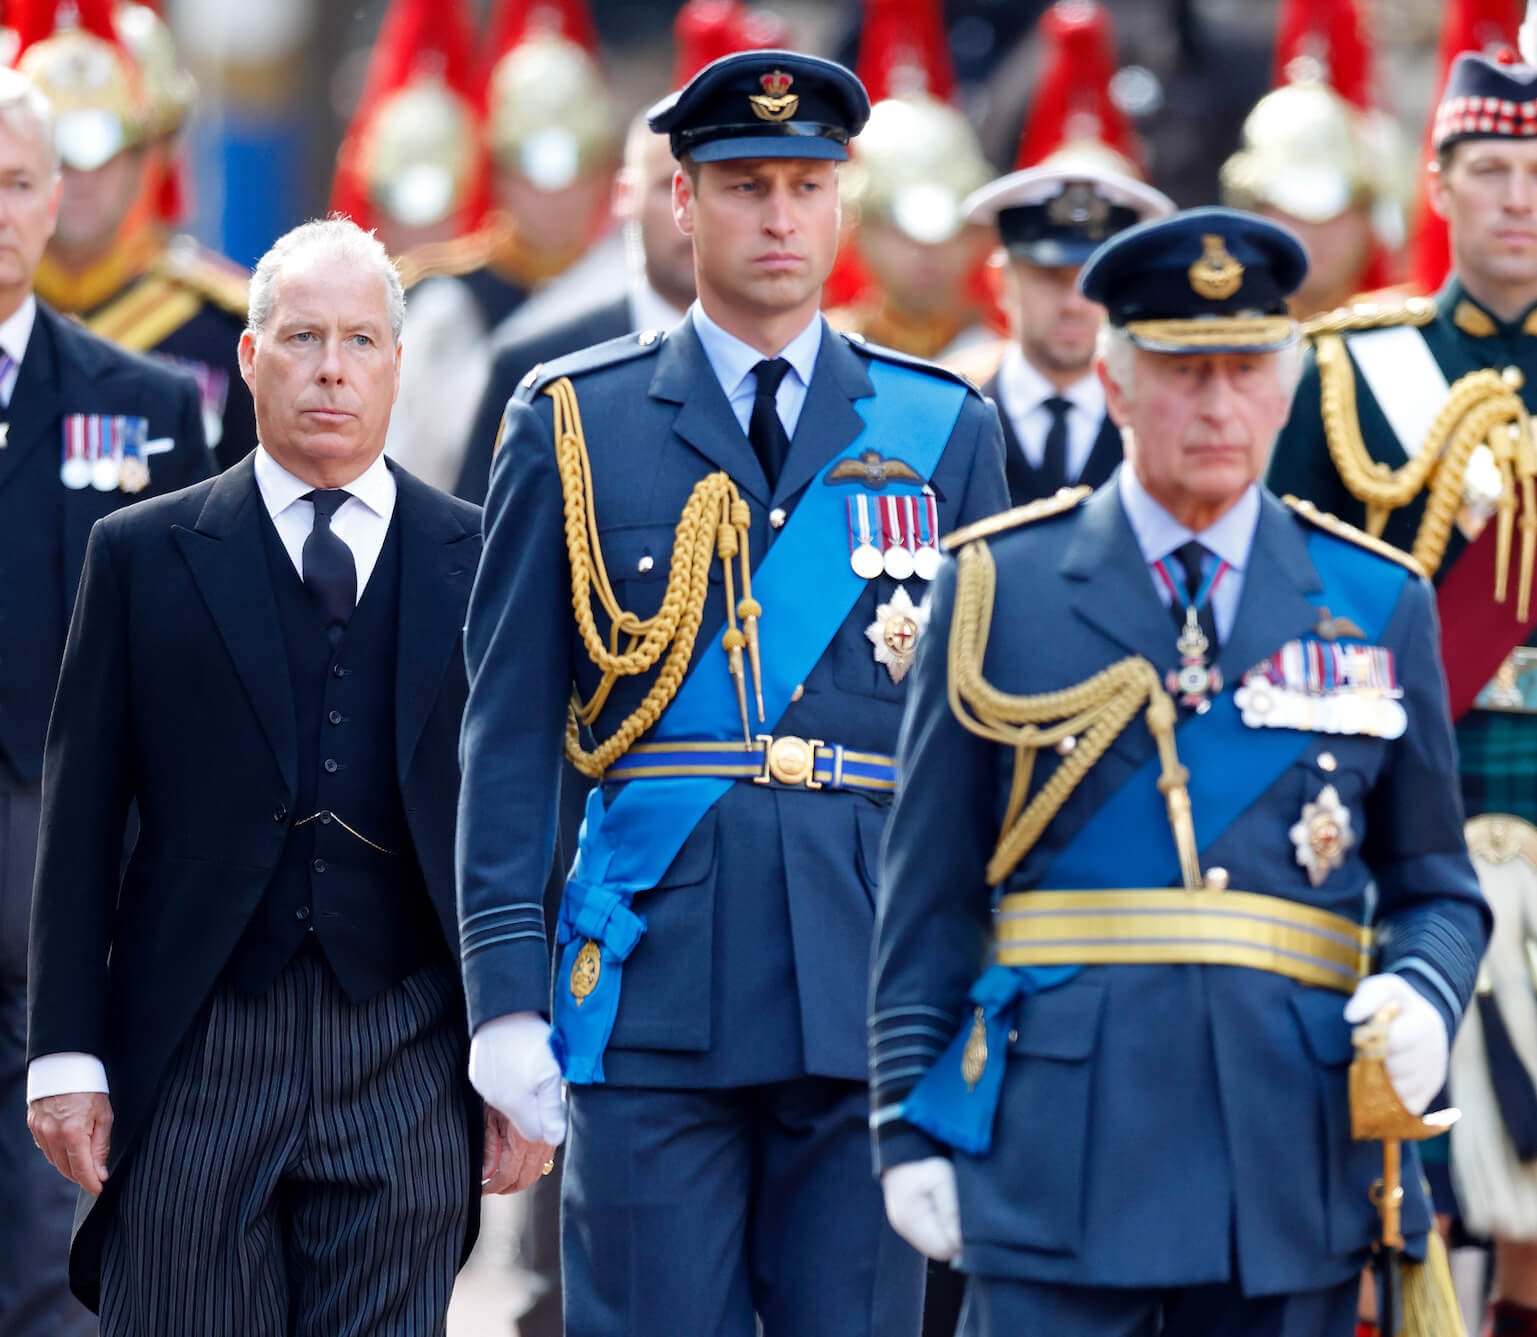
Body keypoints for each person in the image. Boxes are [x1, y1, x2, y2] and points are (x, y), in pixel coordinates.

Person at [457, 48, 1009, 1337]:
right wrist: (504, 993)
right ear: (682, 204)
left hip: (867, 982)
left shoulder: (944, 429)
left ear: (841, 205)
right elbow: (506, 731)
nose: (776, 216)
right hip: (653, 983)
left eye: (805, 186)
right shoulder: (575, 422)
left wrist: (991, 985)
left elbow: (989, 743)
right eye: (744, 184)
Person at [870, 207, 1490, 1336]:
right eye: (1181, 370)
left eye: (1246, 370)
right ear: (1114, 384)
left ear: (1285, 387)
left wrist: (1422, 987)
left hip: (1285, 1157)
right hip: (1053, 1147)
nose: (1217, 405)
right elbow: (928, 894)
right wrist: (904, 1123)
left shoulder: (1374, 598)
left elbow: (1435, 885)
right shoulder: (995, 590)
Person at [24, 218, 526, 1333]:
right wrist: (63, 1047)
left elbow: (520, 819)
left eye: (360, 339)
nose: (332, 368)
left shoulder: (483, 559)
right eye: (302, 337)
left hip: (408, 1038)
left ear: (400, 361)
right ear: (249, 360)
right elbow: (85, 811)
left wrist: (522, 1042)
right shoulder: (141, 553)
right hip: (197, 1039)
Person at [1267, 44, 1537, 1337]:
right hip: (1408, 829)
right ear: (1436, 183)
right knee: (1388, 1194)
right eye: (1491, 169)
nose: (1519, 198)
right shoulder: (1345, 373)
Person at [0, 65, 207, 1337]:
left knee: (57, 1257)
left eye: (18, 182)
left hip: (64, 874)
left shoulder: (143, 405)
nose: (0, 210)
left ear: (58, 194)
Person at [19, 10, 252, 472]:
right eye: (58, 152)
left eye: (104, 148)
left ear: (140, 159)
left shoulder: (226, 332)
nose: (82, 177)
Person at [456, 114, 696, 505]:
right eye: (668, 188)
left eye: (713, 189)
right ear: (623, 195)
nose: (687, 215)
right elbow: (476, 546)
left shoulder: (774, 364)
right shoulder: (531, 368)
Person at [962, 149, 1173, 506]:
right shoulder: (956, 415)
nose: (1074, 304)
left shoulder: (1163, 424)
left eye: (1093, 280)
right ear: (1000, 281)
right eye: (1049, 278)